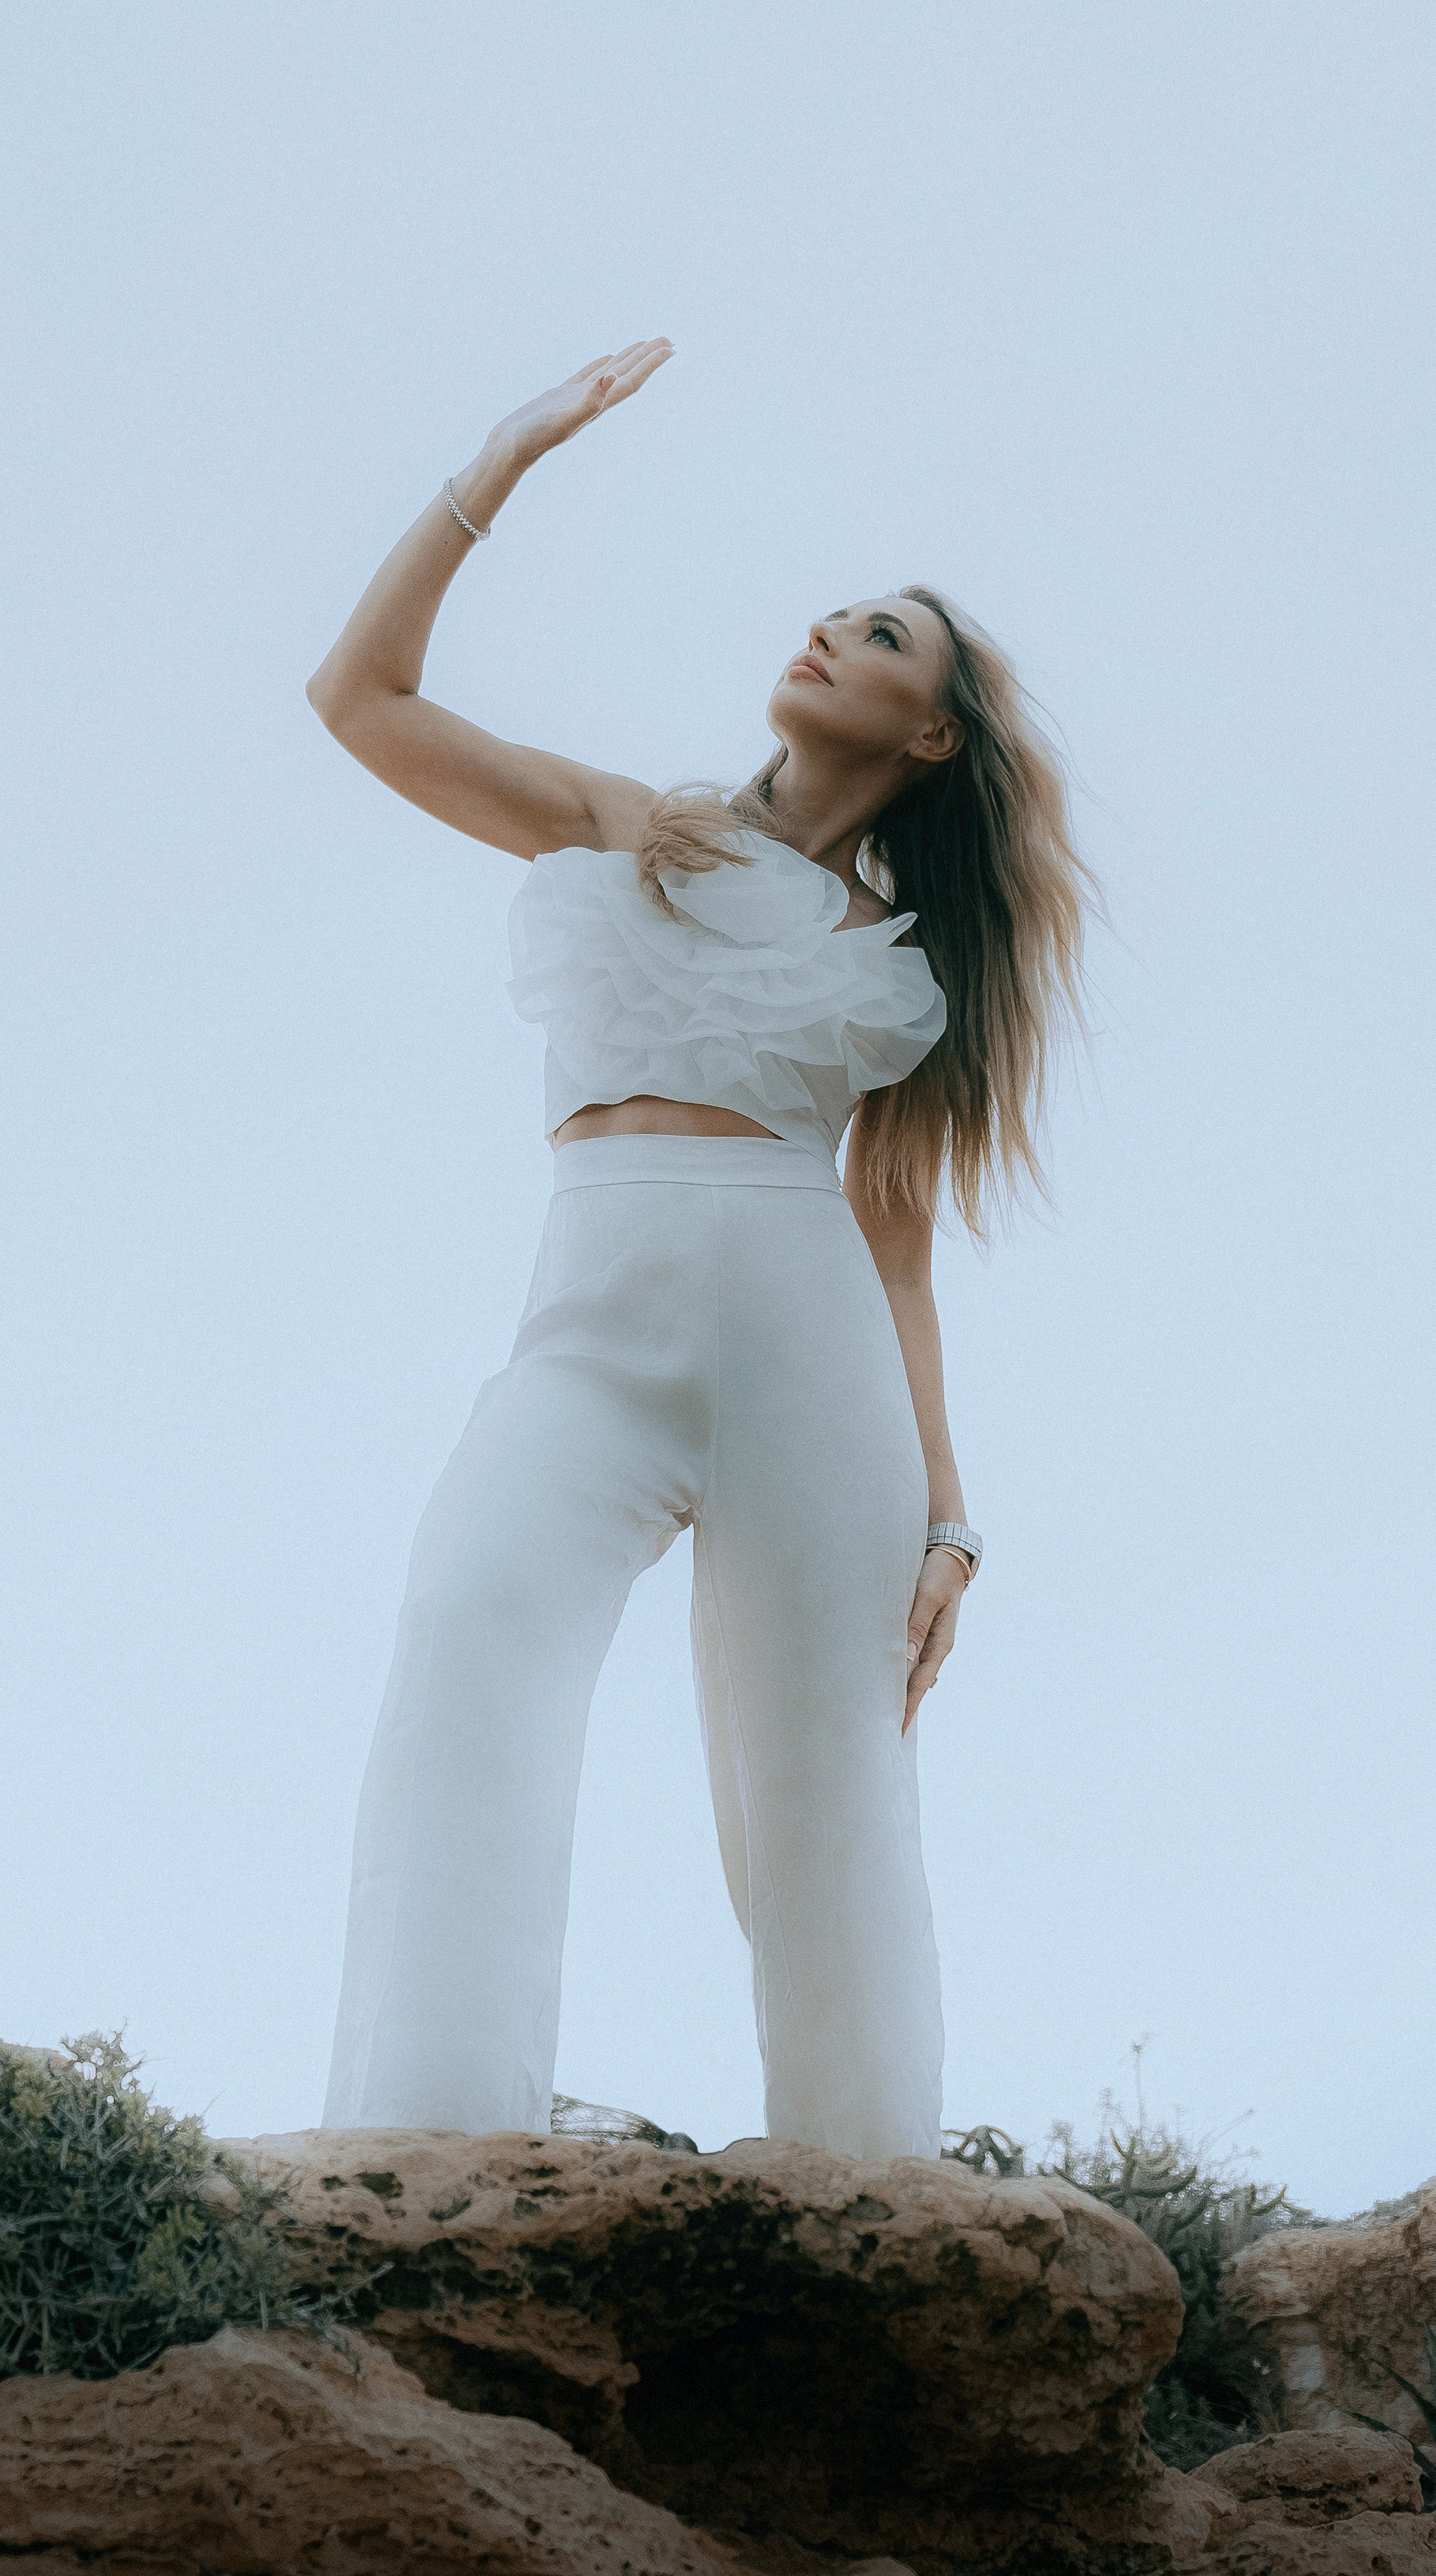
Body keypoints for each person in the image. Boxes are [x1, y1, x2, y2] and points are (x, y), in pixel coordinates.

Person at [305, 341, 1093, 2162]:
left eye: (884, 638)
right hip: (590, 1322)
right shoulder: (629, 823)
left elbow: (896, 1247)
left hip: (806, 1334)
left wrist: (951, 1522)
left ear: (933, 734)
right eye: (834, 613)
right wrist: (500, 454)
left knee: (823, 1788)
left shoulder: (908, 961)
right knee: (466, 1629)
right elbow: (359, 697)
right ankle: (423, 2143)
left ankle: (870, 2195)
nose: (833, 634)